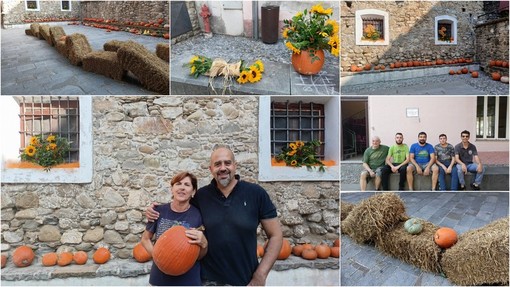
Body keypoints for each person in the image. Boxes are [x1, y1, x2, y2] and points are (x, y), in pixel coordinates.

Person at [146, 144, 283, 286]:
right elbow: (179, 208)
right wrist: (156, 210)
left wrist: (260, 276)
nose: (223, 168)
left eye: (227, 163)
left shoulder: (256, 194)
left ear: (235, 166)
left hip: (246, 281)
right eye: (217, 164)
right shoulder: (201, 196)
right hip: (207, 281)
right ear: (211, 169)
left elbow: (276, 236)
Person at [141, 172, 208, 286]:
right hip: (160, 277)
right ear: (172, 188)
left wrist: (205, 244)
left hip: (188, 279)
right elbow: (145, 239)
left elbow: (200, 254)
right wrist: (160, 258)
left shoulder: (198, 215)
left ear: (193, 192)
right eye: (178, 183)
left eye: (187, 185)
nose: (182, 187)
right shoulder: (158, 211)